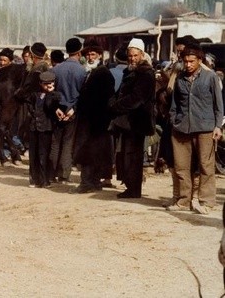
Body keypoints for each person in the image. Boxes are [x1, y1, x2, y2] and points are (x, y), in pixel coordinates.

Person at [167, 43, 223, 214]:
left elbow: (218, 105)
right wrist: (174, 120)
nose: (188, 65)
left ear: (200, 60)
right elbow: (174, 104)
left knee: (206, 166)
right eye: (185, 61)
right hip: (181, 128)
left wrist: (217, 126)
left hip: (205, 128)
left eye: (192, 61)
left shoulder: (210, 77)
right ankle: (183, 201)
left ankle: (206, 202)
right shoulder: (180, 78)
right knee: (181, 166)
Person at [108, 38, 156, 198]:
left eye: (135, 56)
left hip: (137, 121)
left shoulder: (146, 73)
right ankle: (131, 186)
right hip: (127, 121)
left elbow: (137, 98)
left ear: (142, 55)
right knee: (126, 155)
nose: (132, 59)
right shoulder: (130, 71)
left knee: (133, 156)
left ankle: (134, 189)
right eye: (130, 56)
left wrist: (116, 106)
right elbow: (122, 92)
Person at [73, 42, 115, 193]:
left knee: (90, 152)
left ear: (99, 56)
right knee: (93, 152)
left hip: (96, 120)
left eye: (93, 55)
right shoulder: (90, 72)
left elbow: (106, 98)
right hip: (90, 120)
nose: (90, 57)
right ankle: (93, 182)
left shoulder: (103, 73)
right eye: (88, 55)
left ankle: (87, 183)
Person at [50, 37, 87, 184]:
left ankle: (51, 173)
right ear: (79, 52)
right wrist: (73, 109)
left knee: (55, 142)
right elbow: (83, 94)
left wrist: (57, 108)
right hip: (73, 110)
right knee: (68, 143)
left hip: (57, 109)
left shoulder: (56, 69)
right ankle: (64, 175)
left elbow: (51, 92)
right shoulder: (82, 71)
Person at [22, 70, 61, 188]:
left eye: (49, 83)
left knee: (44, 154)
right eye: (44, 84)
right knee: (33, 154)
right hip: (34, 127)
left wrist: (50, 92)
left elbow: (50, 106)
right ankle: (34, 179)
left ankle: (45, 180)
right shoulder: (34, 95)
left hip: (46, 128)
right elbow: (29, 106)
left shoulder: (55, 95)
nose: (46, 86)